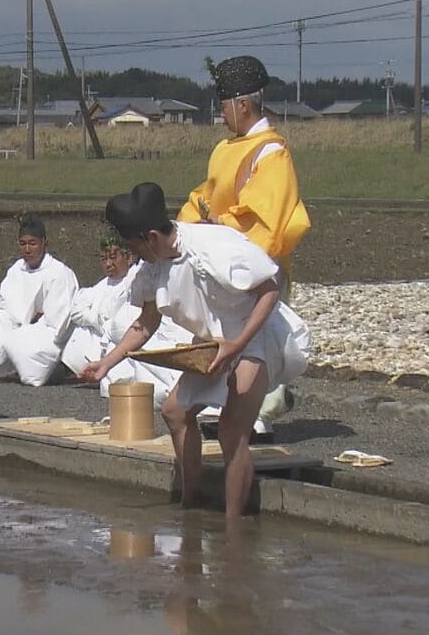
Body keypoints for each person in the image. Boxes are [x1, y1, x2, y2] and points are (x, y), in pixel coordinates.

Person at [82, 182, 310, 520]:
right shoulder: (153, 266)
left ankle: (234, 529)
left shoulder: (212, 245)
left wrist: (237, 345)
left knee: (232, 430)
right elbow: (146, 322)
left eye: (134, 246)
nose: (135, 255)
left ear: (152, 238)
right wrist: (106, 363)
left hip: (254, 334)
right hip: (210, 346)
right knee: (175, 412)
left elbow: (269, 289)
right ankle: (192, 504)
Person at [176, 55, 311, 429]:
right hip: (217, 261)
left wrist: (219, 226)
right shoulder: (225, 149)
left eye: (224, 106)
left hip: (251, 268)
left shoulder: (271, 154)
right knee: (222, 339)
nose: (222, 114)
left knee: (255, 345)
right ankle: (228, 410)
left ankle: (257, 415)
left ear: (243, 104)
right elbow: (202, 198)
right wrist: (184, 230)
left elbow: (263, 219)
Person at [60, 232, 190, 406]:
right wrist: (99, 321)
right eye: (103, 259)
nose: (108, 264)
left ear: (128, 257)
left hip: (151, 338)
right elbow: (77, 308)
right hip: (119, 342)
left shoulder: (138, 276)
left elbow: (144, 319)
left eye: (113, 257)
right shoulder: (103, 285)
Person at [0, 214, 79, 387]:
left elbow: (60, 316)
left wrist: (36, 321)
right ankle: (11, 367)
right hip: (22, 323)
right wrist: (23, 319)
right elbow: (6, 303)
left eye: (32, 244)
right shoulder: (16, 270)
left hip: (47, 329)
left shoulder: (58, 272)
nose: (27, 249)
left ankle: (55, 368)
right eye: (23, 244)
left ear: (44, 243)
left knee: (30, 353)